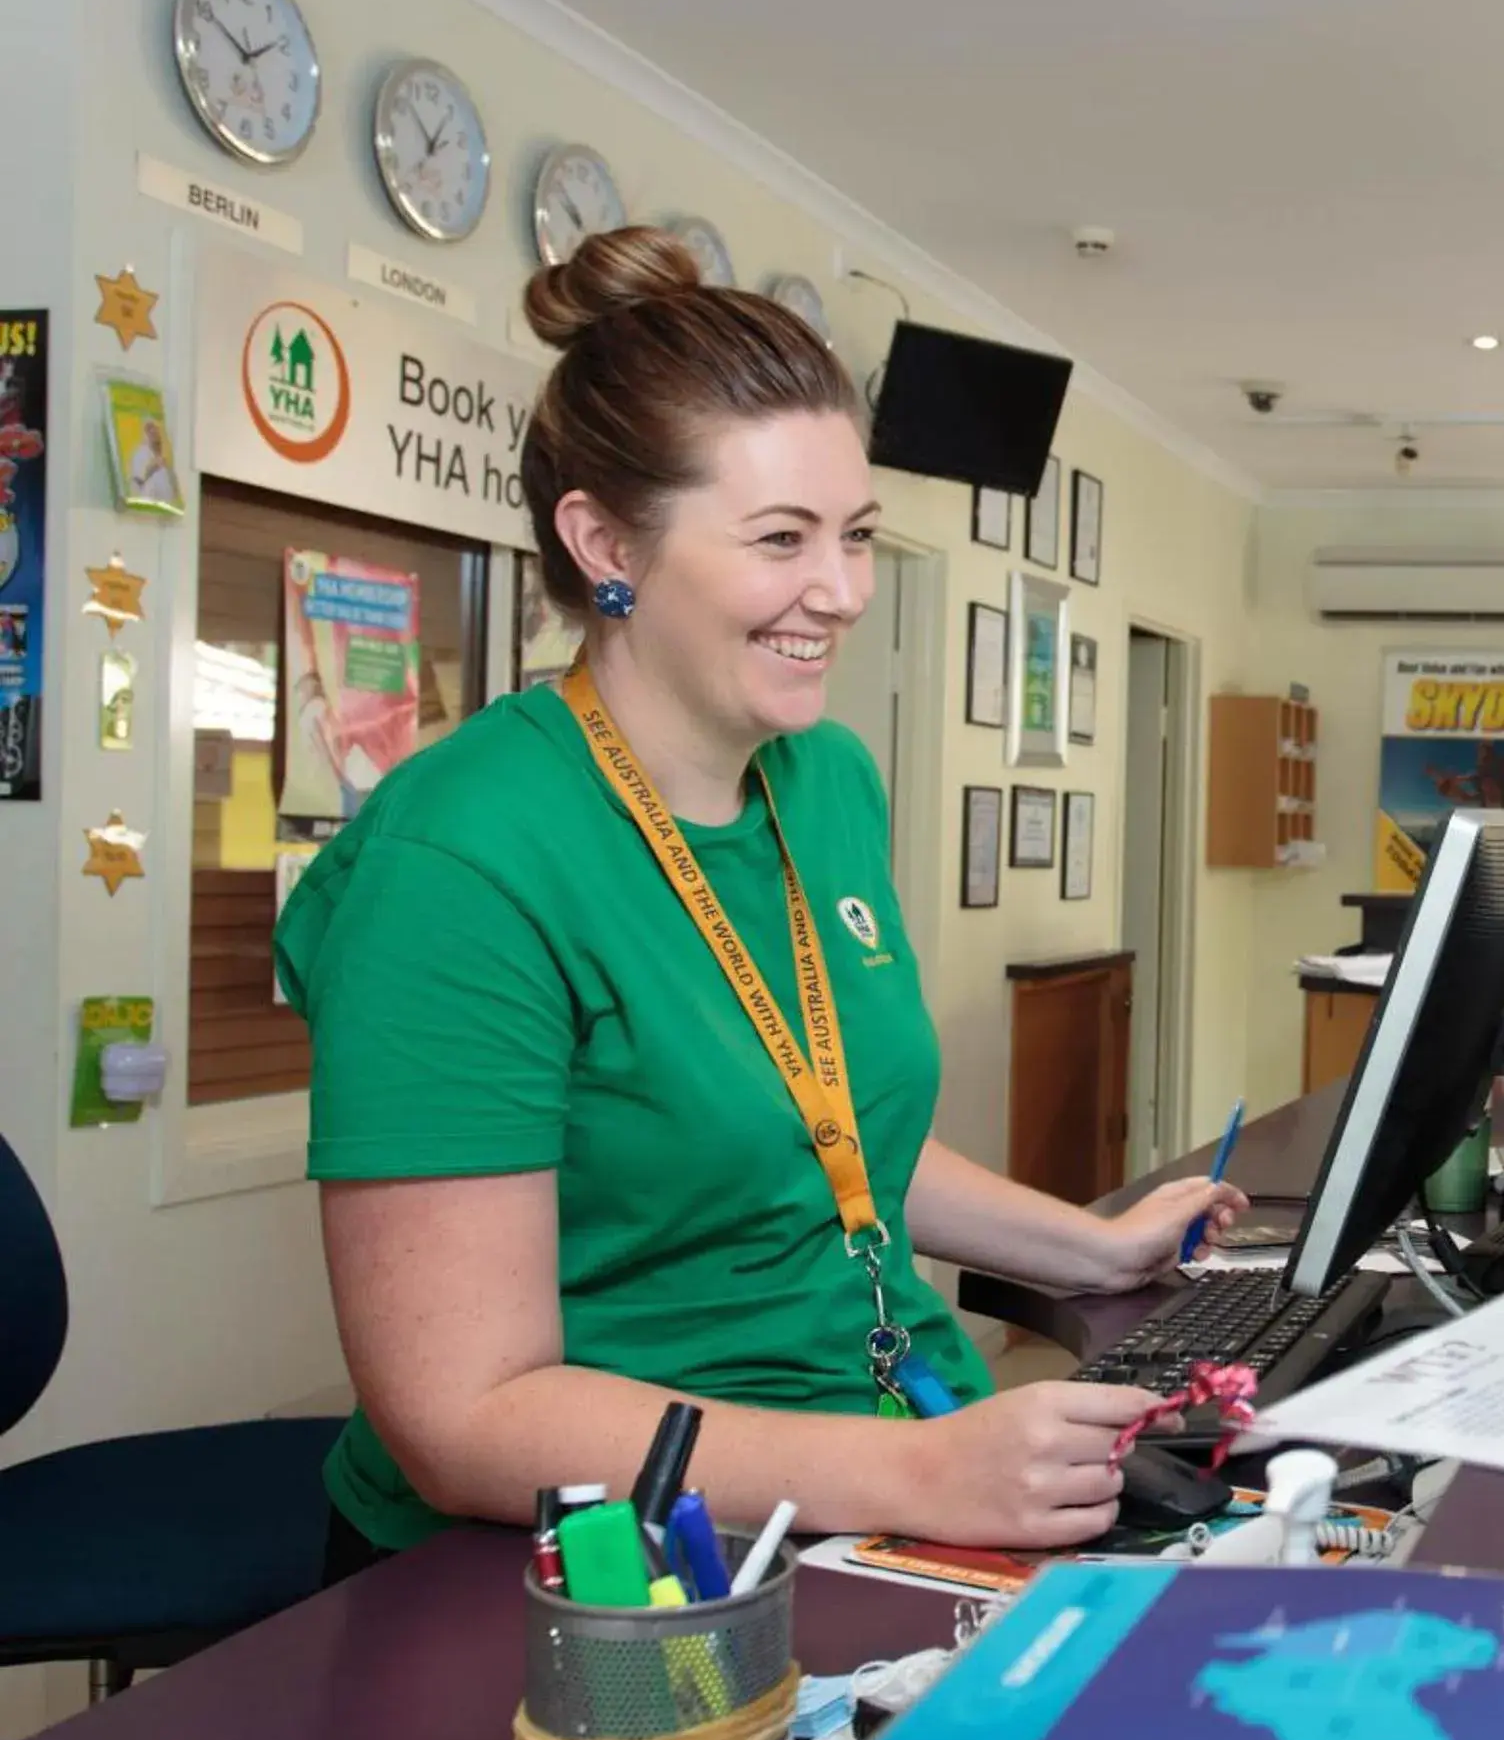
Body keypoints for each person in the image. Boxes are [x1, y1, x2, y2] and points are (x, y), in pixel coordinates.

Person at [278, 228, 1240, 1570]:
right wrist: (915, 1468)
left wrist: (1087, 1246)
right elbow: (463, 1415)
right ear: (604, 538)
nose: (840, 593)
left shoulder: (825, 782)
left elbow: (822, 1135)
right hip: (590, 1560)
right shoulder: (460, 860)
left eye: (853, 536)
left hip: (860, 1477)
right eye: (781, 539)